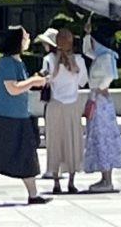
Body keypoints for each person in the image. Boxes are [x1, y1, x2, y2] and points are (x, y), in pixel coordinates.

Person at [0, 26, 46, 208]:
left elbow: (19, 86)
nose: (29, 38)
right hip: (4, 117)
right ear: (17, 41)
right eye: (25, 36)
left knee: (26, 155)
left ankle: (33, 194)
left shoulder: (17, 62)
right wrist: (33, 82)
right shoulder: (7, 63)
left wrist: (33, 82)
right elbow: (12, 88)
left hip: (18, 116)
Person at [39, 24, 88, 194]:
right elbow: (82, 82)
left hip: (55, 104)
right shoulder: (79, 61)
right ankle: (72, 181)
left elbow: (45, 79)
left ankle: (55, 181)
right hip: (72, 104)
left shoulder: (49, 60)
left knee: (54, 142)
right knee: (73, 141)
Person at [81, 25, 121, 194]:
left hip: (100, 99)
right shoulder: (100, 55)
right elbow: (87, 50)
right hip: (97, 98)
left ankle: (107, 179)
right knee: (98, 137)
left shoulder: (106, 56)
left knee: (103, 137)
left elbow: (109, 76)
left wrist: (100, 88)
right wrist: (87, 34)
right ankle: (104, 177)